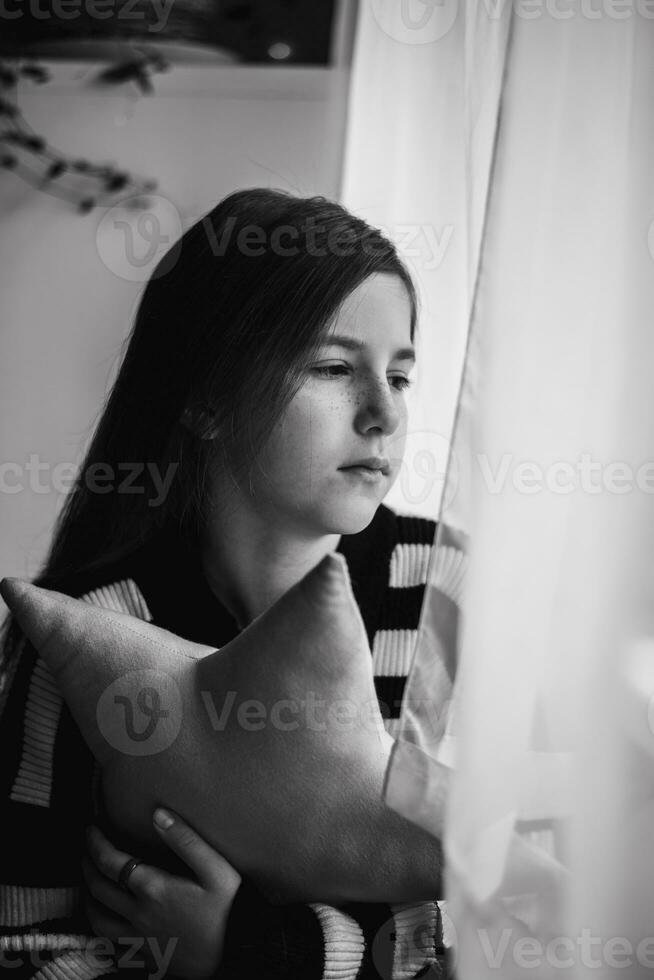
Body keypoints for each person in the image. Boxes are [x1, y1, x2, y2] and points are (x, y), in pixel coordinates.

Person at [0, 189, 446, 979]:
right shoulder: (86, 632)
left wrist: (244, 951)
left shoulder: (442, 591)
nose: (383, 414)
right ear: (205, 398)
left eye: (402, 377)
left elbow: (483, 913)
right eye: (335, 367)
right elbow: (25, 940)